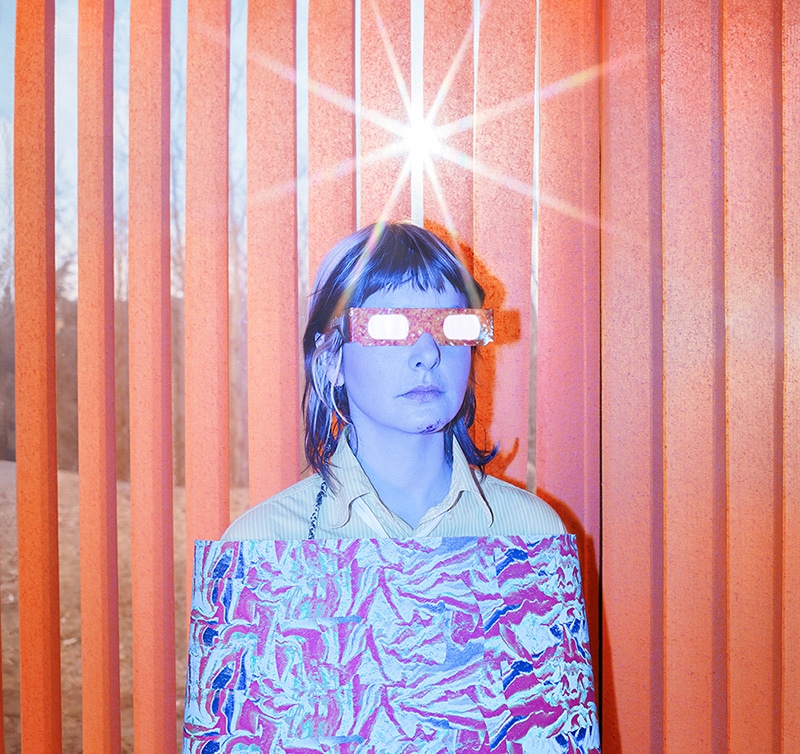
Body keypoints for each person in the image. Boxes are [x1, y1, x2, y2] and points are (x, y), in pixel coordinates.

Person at [222, 220, 564, 541]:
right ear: (331, 359)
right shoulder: (261, 546)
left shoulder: (533, 534)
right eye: (389, 327)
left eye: (452, 325)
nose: (428, 353)